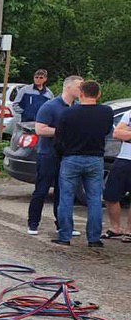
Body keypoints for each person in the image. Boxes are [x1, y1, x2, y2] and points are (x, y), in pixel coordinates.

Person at [54, 80, 115, 248]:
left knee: (66, 198)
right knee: (95, 199)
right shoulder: (106, 112)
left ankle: (65, 236)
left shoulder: (68, 113)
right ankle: (94, 238)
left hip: (71, 157)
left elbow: (59, 138)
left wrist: (61, 154)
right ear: (99, 94)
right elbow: (107, 131)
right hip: (95, 158)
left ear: (81, 94)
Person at [28, 74, 82, 236]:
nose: (82, 90)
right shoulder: (50, 106)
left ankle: (63, 225)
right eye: (79, 87)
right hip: (48, 154)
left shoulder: (78, 107)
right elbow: (40, 129)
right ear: (68, 87)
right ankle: (33, 223)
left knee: (64, 191)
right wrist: (63, 132)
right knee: (42, 189)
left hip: (68, 155)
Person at [104, 109, 131, 242]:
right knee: (110, 193)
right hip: (124, 159)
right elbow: (117, 133)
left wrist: (127, 134)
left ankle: (130, 231)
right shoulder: (129, 113)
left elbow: (123, 133)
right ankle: (116, 228)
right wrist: (124, 134)